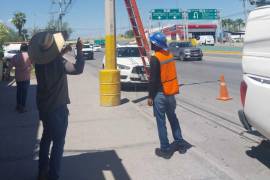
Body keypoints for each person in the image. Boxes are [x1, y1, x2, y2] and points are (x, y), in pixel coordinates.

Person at [28, 31, 85, 180]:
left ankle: (42, 171)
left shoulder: (39, 64)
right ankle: (53, 176)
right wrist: (79, 49)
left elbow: (50, 58)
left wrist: (63, 51)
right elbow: (78, 69)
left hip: (44, 108)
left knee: (46, 139)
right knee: (58, 144)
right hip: (57, 109)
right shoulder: (59, 63)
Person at [148, 32, 186, 159]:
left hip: (160, 94)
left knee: (161, 122)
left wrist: (150, 96)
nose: (150, 45)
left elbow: (152, 80)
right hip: (171, 93)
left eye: (152, 43)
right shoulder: (169, 55)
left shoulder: (155, 58)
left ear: (156, 44)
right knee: (173, 118)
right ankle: (181, 144)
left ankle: (165, 149)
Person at [9, 43, 32, 113]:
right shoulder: (29, 56)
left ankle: (18, 105)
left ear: (20, 48)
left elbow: (10, 66)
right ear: (27, 48)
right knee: (24, 92)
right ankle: (22, 107)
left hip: (18, 77)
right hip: (26, 77)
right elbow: (32, 65)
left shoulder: (15, 56)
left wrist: (7, 74)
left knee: (19, 91)